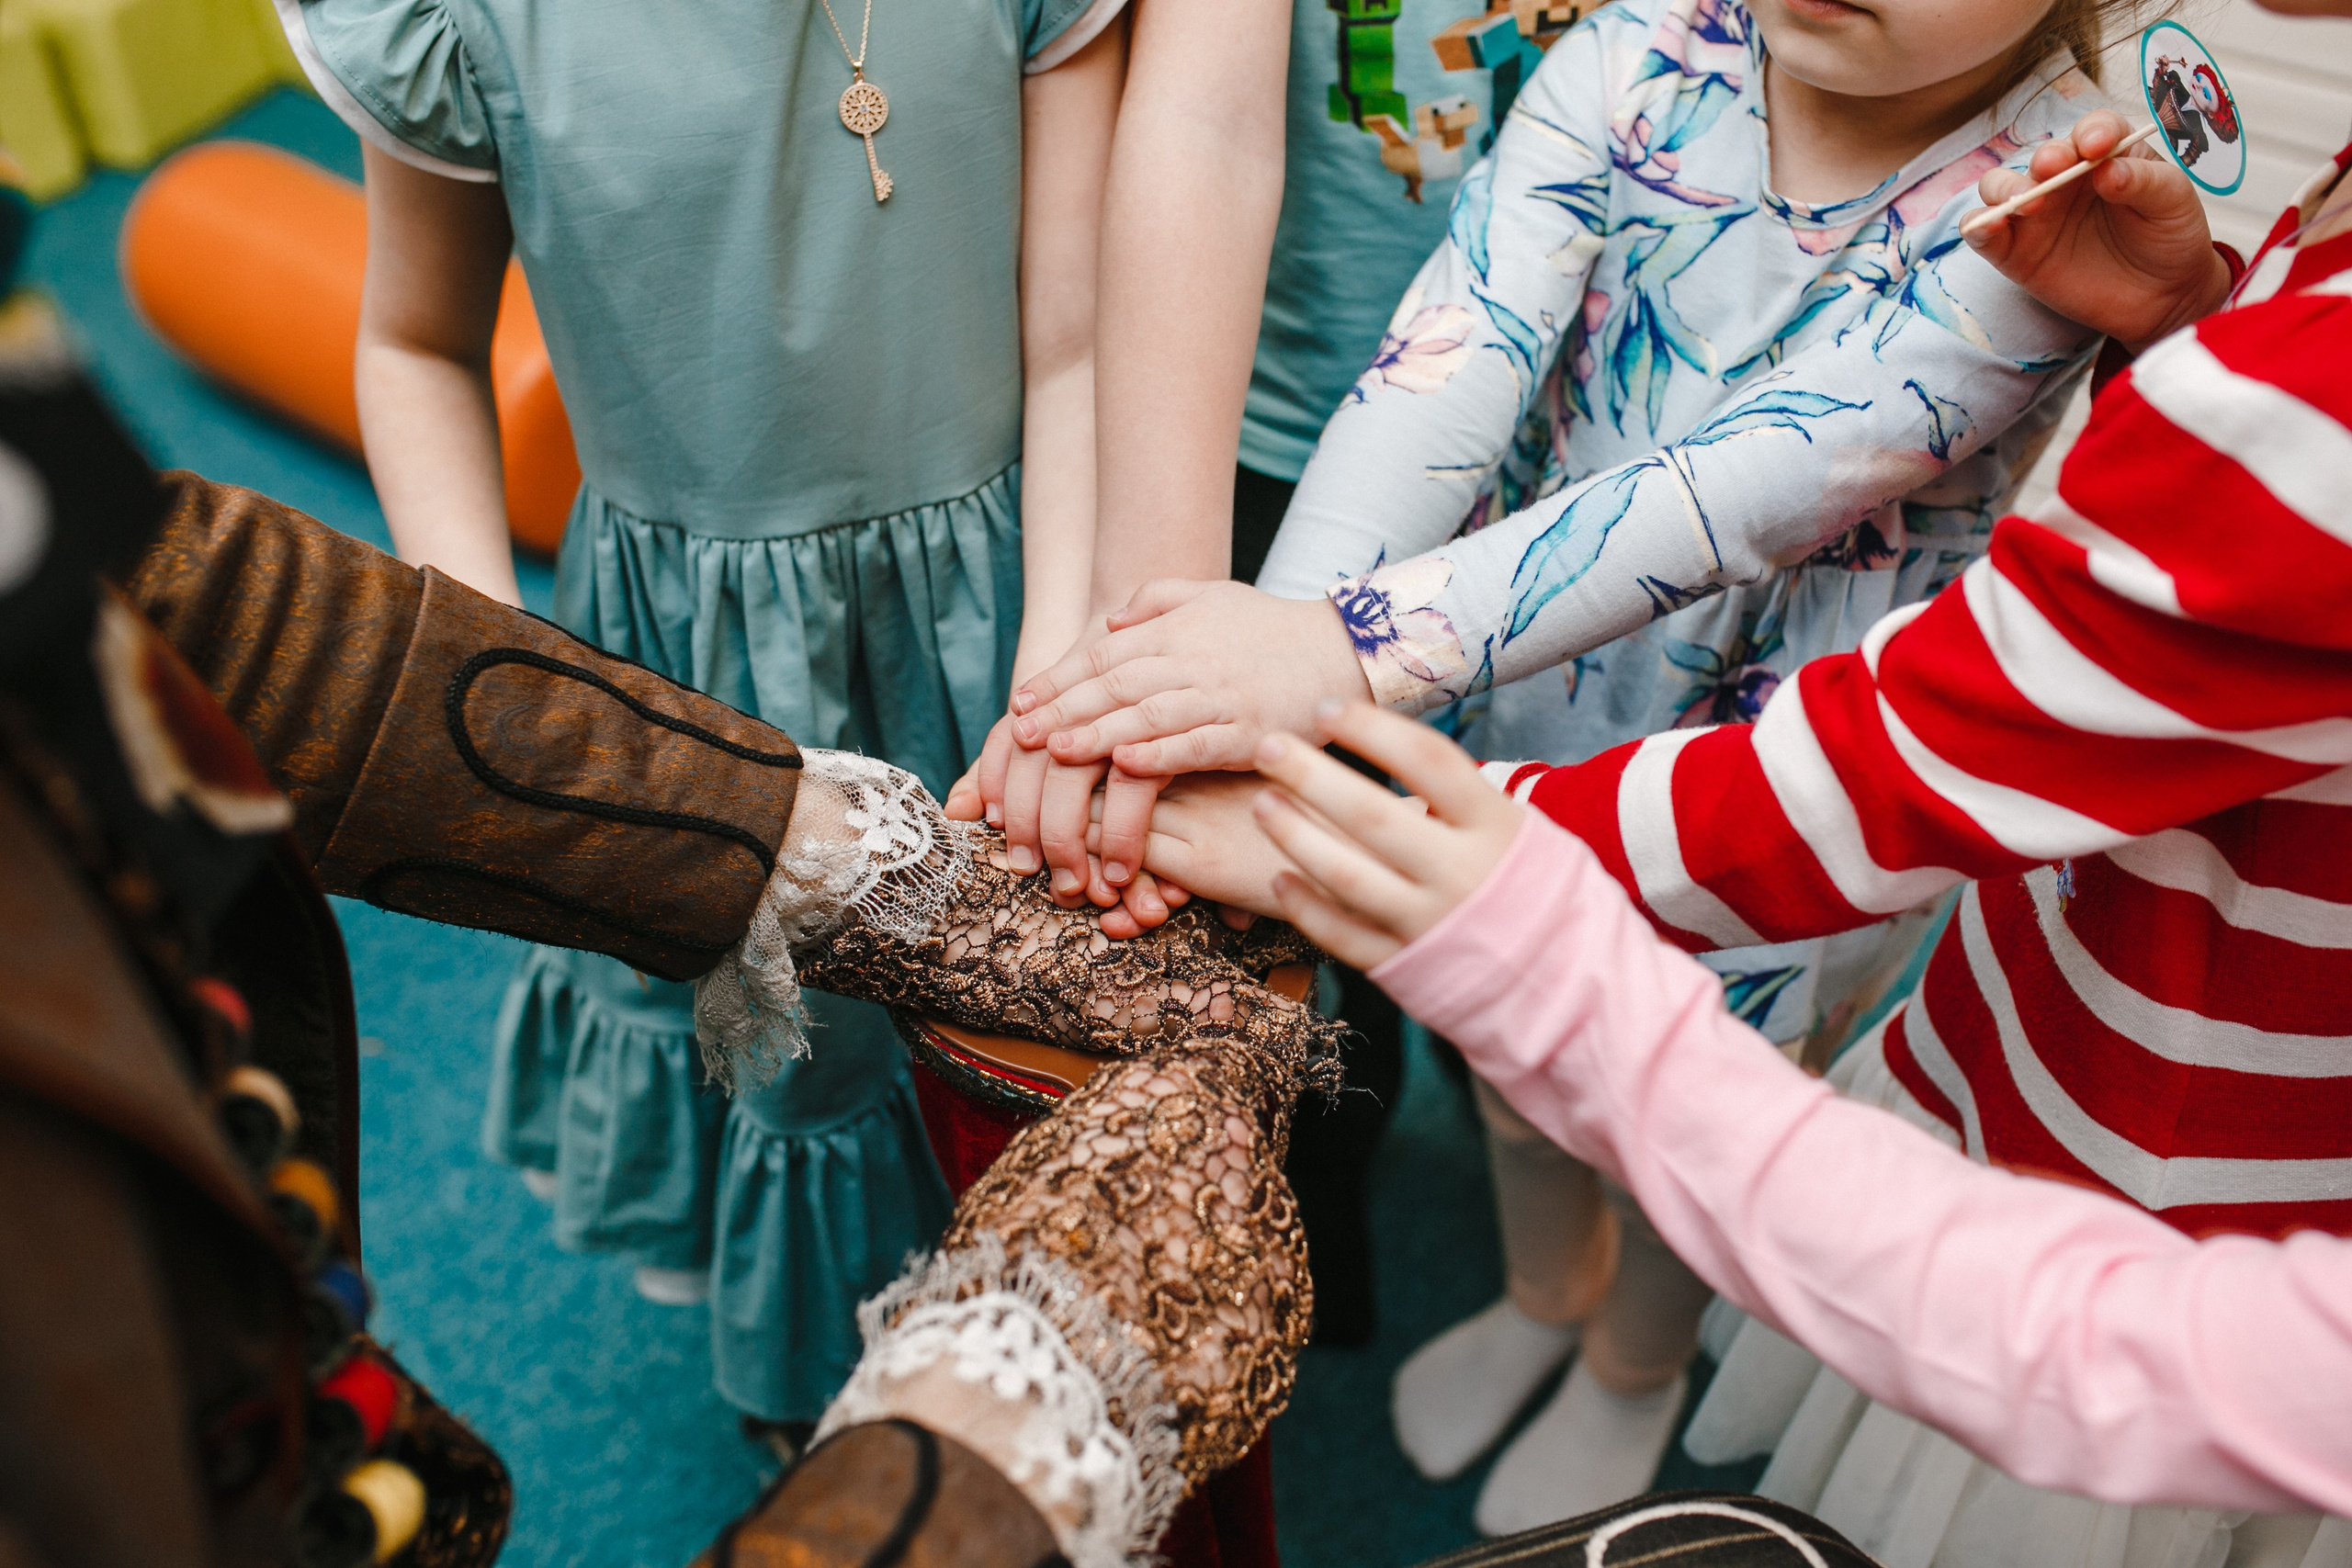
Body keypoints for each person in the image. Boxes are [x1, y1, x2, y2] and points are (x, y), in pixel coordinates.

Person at [1102, 70, 2352, 1564]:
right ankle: (1543, 1297)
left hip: (1779, 838)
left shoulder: (2030, 187)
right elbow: (1457, 351)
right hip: (1555, 748)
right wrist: (1282, 660)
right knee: (1513, 1076)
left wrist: (1331, 679)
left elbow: (1755, 494)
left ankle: (1633, 1362)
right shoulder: (1650, 50)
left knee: (1689, 1097)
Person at [274, 0, 1296, 1448]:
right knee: (786, 1062)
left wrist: (1053, 667)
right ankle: (824, 1403)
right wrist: (505, 686)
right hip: (680, 660)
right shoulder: (465, 23)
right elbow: (416, 343)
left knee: (1002, 1034)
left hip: (993, 615)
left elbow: (1073, 338)